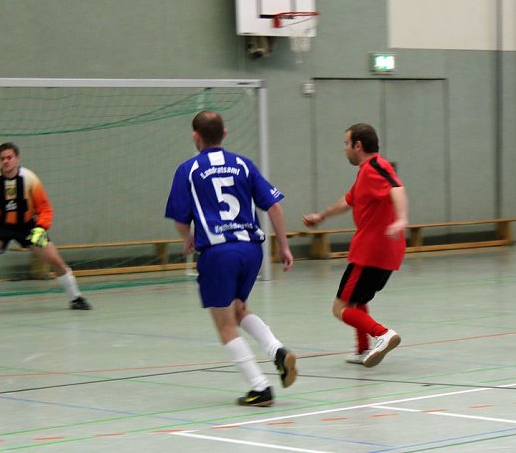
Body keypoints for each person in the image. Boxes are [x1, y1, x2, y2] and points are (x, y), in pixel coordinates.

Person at [165, 110, 297, 407]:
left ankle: (259, 387)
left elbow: (180, 219)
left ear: (195, 136)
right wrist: (284, 246)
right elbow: (274, 207)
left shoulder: (188, 169)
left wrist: (187, 237)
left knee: (225, 324)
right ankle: (277, 350)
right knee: (238, 309)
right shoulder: (243, 164)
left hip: (218, 252)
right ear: (225, 134)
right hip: (251, 250)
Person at [303, 123, 408, 367]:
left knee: (339, 307)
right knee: (358, 299)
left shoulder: (376, 167)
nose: (344, 149)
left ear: (357, 145)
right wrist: (322, 216)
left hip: (371, 251)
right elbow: (348, 200)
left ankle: (382, 334)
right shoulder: (365, 173)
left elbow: (397, 188)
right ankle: (363, 349)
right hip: (382, 251)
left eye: (346, 143)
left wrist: (402, 219)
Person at [0, 143, 91, 315]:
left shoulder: (30, 179)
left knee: (56, 261)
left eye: (9, 157)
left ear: (17, 158)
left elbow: (45, 208)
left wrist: (40, 227)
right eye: (2, 158)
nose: (6, 161)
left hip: (27, 226)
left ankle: (76, 298)